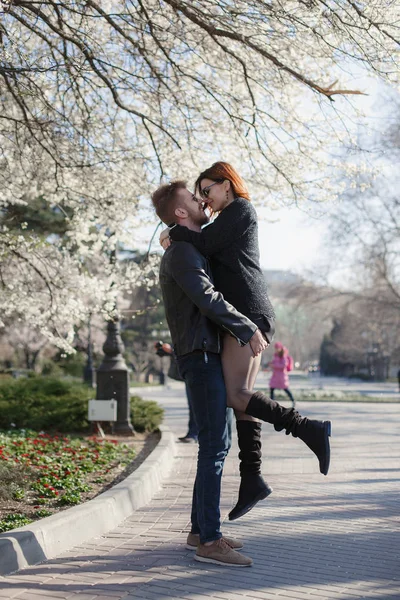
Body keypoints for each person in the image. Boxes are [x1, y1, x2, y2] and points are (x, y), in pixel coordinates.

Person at [161, 162, 331, 522]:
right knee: (243, 401)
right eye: (199, 194)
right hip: (242, 316)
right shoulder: (224, 218)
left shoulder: (240, 209)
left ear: (227, 185)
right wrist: (176, 234)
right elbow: (203, 248)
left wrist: (175, 233)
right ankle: (252, 478)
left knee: (237, 394)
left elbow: (203, 241)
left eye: (207, 190)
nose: (205, 199)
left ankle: (308, 429)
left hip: (248, 315)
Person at [152, 180, 264, 567]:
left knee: (215, 444)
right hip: (198, 357)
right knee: (214, 445)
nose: (202, 201)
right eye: (193, 198)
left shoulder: (186, 247)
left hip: (203, 355)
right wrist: (246, 326)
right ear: (181, 213)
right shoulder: (182, 252)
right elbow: (207, 297)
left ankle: (200, 530)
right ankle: (209, 541)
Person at [155, 341, 199, 443]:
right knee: (193, 405)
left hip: (197, 371)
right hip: (190, 373)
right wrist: (163, 349)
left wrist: (171, 350)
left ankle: (194, 434)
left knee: (196, 405)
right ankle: (193, 433)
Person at [269, 342, 296, 408]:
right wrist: (271, 364)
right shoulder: (275, 355)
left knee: (285, 389)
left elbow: (284, 365)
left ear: (280, 348)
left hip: (282, 376)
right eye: (275, 348)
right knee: (272, 388)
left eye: (277, 348)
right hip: (275, 376)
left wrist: (274, 365)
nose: (276, 349)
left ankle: (293, 400)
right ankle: (271, 403)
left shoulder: (283, 355)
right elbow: (275, 362)